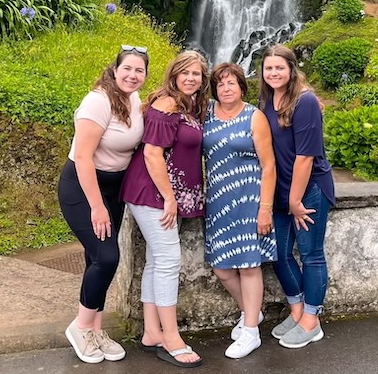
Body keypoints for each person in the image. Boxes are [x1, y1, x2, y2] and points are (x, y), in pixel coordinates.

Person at [58, 45, 149, 364]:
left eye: (140, 71)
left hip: (113, 188)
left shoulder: (134, 98)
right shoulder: (97, 102)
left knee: (95, 258)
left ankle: (95, 329)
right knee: (107, 256)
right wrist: (97, 207)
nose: (133, 75)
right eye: (127, 69)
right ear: (115, 69)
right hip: (83, 188)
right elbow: (82, 157)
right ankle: (81, 326)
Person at [120, 50, 209, 368]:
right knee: (170, 260)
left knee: (157, 260)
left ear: (202, 78)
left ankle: (151, 332)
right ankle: (171, 338)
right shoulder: (167, 104)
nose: (190, 78)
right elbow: (152, 155)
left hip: (164, 193)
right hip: (152, 193)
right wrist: (170, 198)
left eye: (196, 73)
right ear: (173, 75)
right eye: (184, 72)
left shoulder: (190, 104)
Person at [259, 44, 335, 349]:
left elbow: (305, 156)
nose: (274, 73)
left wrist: (295, 200)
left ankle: (312, 320)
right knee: (278, 251)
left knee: (310, 252)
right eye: (268, 68)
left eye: (280, 67)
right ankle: (297, 309)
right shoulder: (266, 98)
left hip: (310, 188)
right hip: (280, 188)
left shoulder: (305, 102)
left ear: (291, 69)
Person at [202, 63, 277, 359]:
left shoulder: (254, 116)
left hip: (249, 199)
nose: (226, 88)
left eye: (232, 83)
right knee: (222, 268)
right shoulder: (206, 113)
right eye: (221, 84)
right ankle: (252, 314)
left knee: (248, 265)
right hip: (218, 201)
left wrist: (265, 208)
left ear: (242, 87)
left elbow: (269, 165)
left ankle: (250, 332)